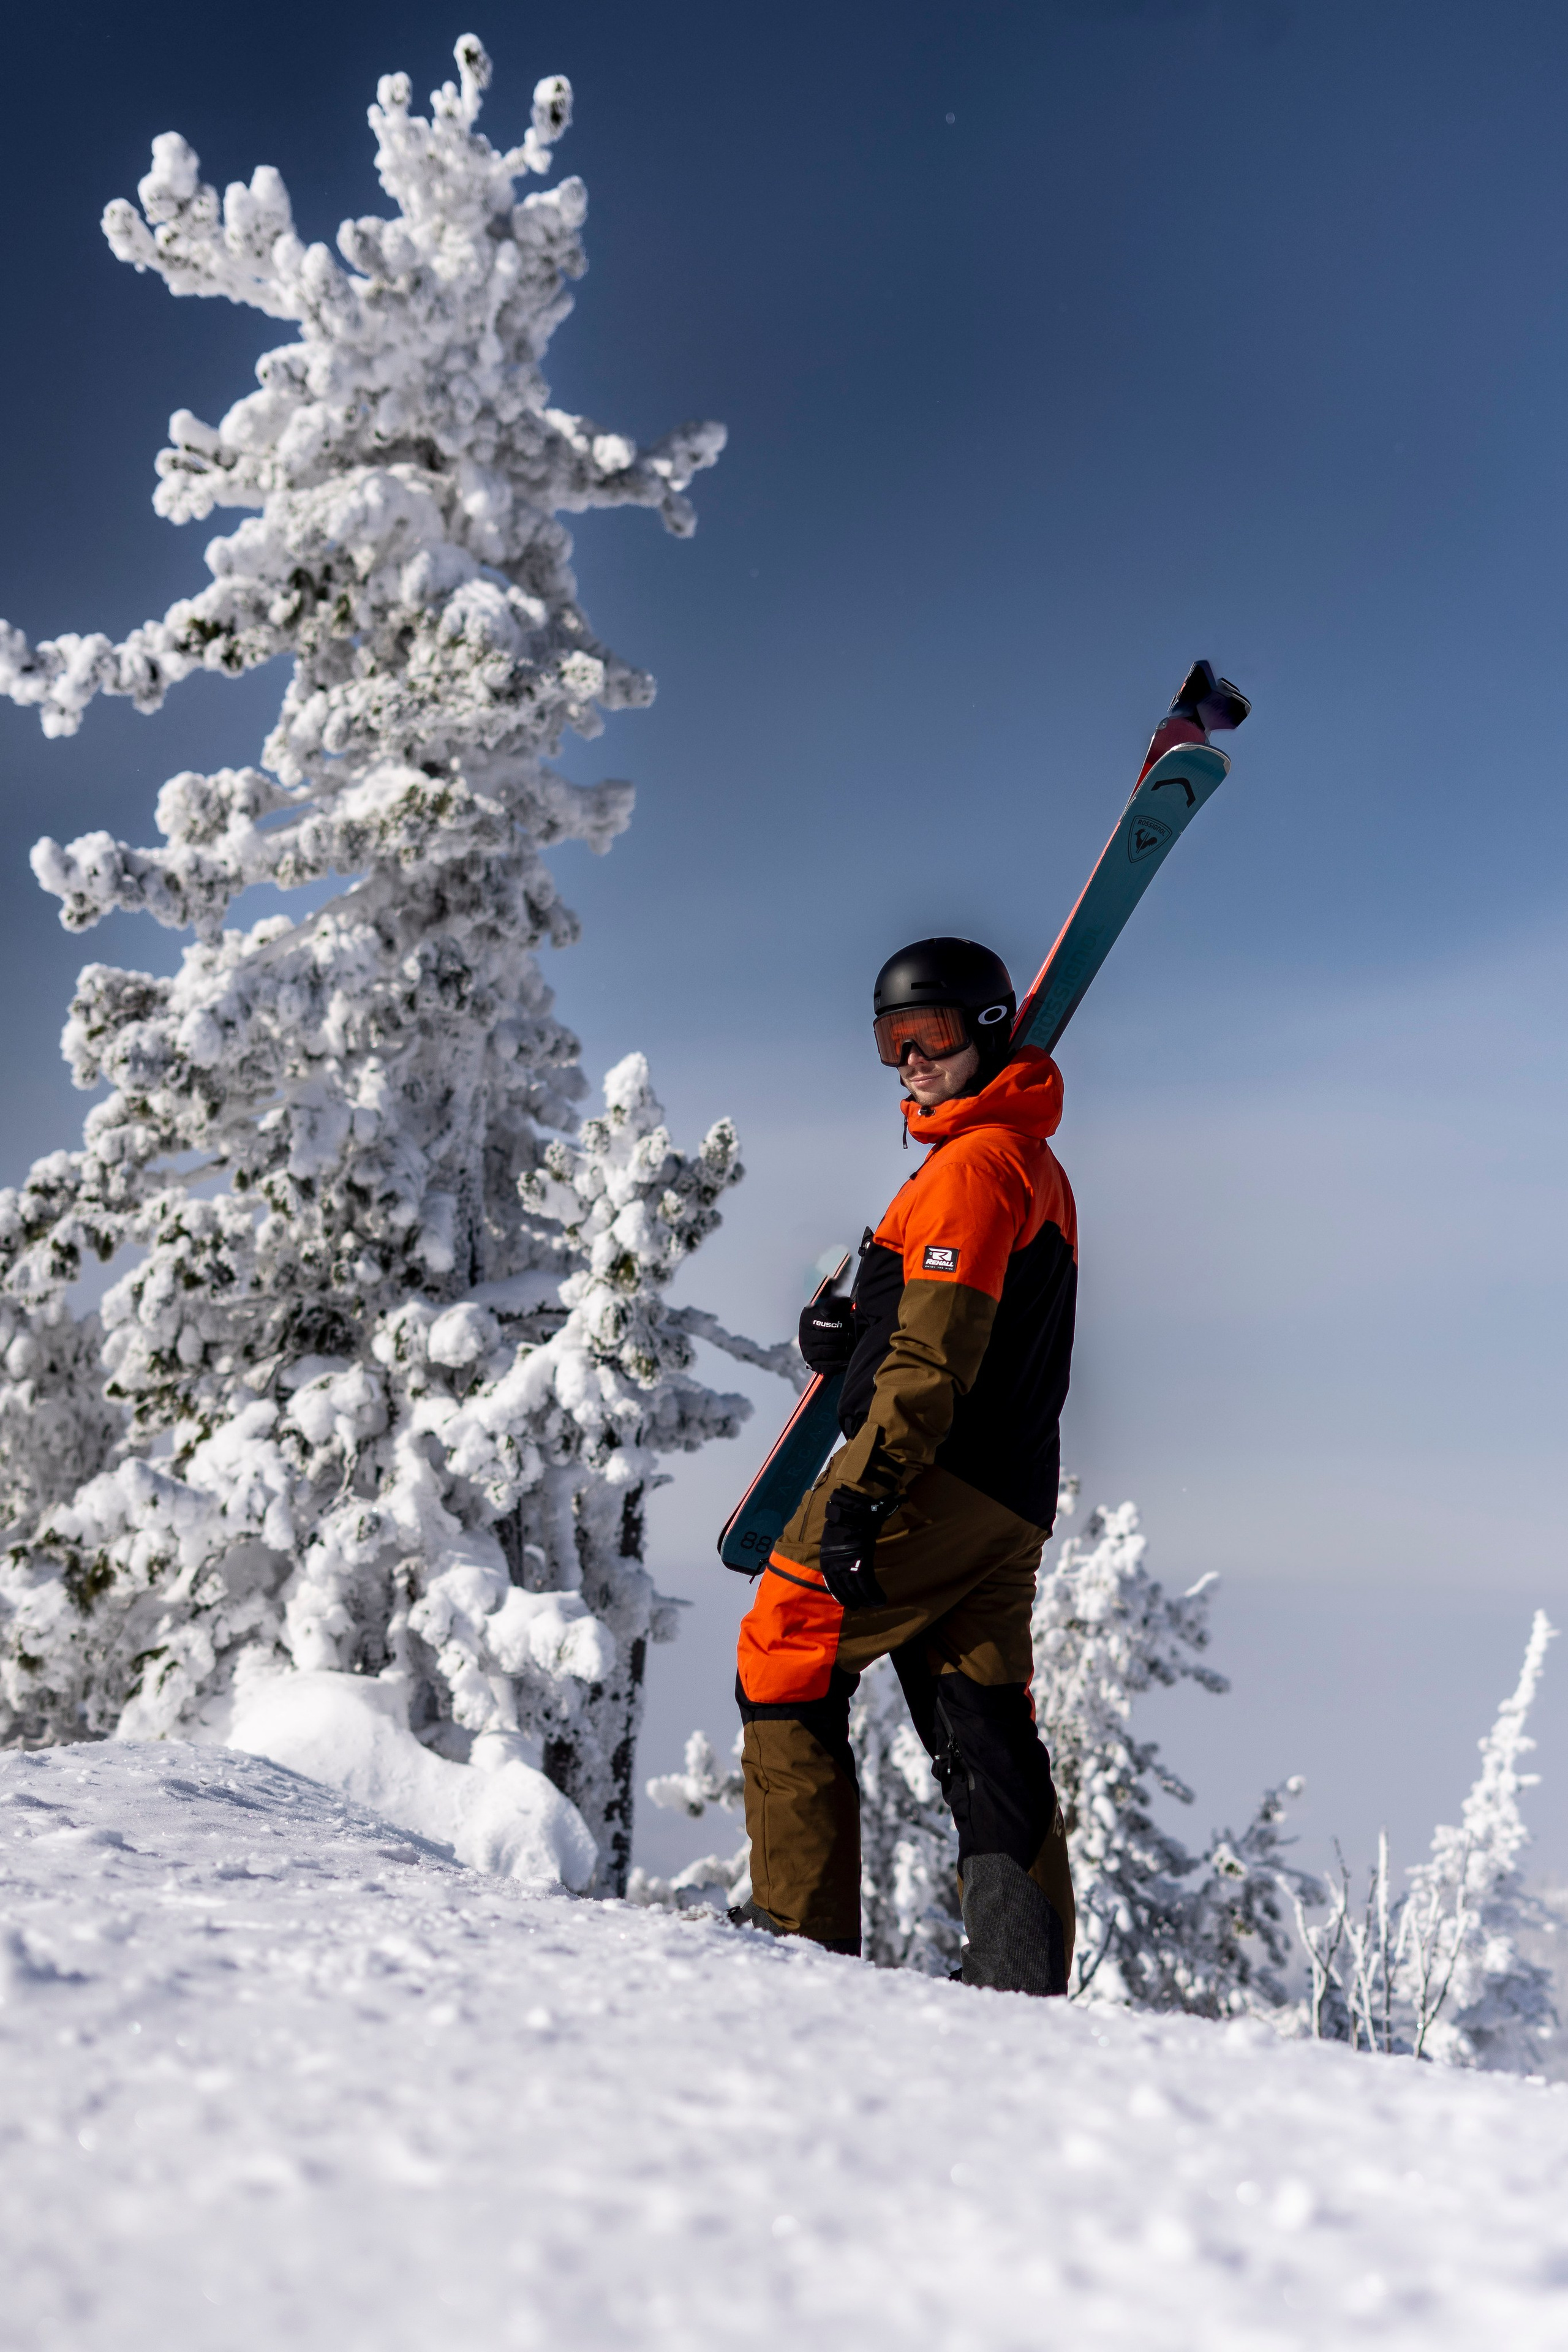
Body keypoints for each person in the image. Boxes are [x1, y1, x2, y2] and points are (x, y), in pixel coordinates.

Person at [731, 937, 1078, 1993]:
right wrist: (851, 1350)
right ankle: (1023, 1984)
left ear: (981, 1029)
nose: (909, 1063)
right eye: (890, 1042)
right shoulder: (1021, 1162)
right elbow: (965, 1326)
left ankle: (805, 1963)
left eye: (926, 1037)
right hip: (1008, 1502)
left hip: (930, 1481)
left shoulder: (973, 1168)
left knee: (782, 1650)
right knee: (981, 1720)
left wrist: (868, 1489)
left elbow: (934, 1359)